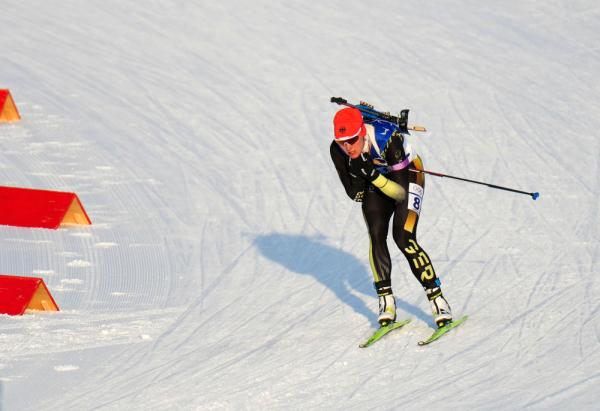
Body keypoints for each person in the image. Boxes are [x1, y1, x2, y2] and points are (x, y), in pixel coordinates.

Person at [329, 105, 453, 328]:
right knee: (376, 233)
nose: (347, 147)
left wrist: (371, 174)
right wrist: (360, 171)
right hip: (377, 178)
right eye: (342, 141)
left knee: (403, 236)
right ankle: (386, 301)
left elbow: (399, 193)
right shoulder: (337, 150)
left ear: (362, 131)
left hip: (408, 175)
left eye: (352, 140)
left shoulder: (388, 139)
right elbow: (354, 193)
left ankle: (437, 299)